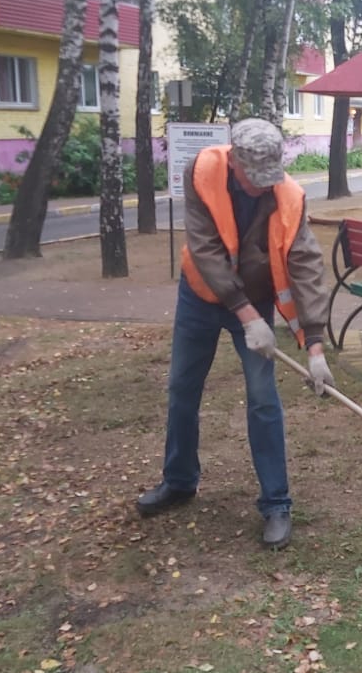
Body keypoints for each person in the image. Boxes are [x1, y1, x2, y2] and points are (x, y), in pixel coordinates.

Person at [136, 118, 334, 549]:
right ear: (235, 162)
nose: (262, 186)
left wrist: (315, 344)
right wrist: (246, 317)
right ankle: (179, 481)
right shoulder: (202, 172)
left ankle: (277, 503)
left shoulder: (288, 198)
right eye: (253, 178)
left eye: (269, 178)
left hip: (257, 300)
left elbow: (306, 266)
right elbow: (205, 250)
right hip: (202, 298)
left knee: (264, 399)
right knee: (182, 389)